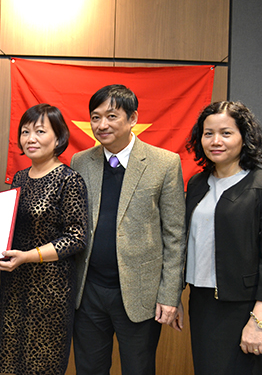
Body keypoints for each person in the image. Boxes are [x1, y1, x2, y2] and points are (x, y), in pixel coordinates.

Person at [0, 103, 88, 375]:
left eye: (40, 131)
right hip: (15, 283)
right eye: (25, 131)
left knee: (42, 363)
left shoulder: (70, 180)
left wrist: (28, 256)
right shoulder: (20, 177)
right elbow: (12, 227)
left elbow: (77, 238)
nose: (30, 139)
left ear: (59, 137)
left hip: (51, 289)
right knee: (12, 358)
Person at [70, 84, 186, 375]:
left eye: (111, 116)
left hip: (140, 294)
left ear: (132, 118)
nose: (102, 125)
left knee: (139, 369)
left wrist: (170, 296)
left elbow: (175, 236)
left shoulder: (164, 163)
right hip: (89, 291)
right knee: (89, 369)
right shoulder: (81, 161)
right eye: (95, 117)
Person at [184, 101, 262, 375]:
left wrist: (258, 321)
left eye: (226, 133)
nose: (215, 141)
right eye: (208, 133)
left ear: (245, 137)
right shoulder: (197, 184)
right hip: (203, 303)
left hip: (246, 308)